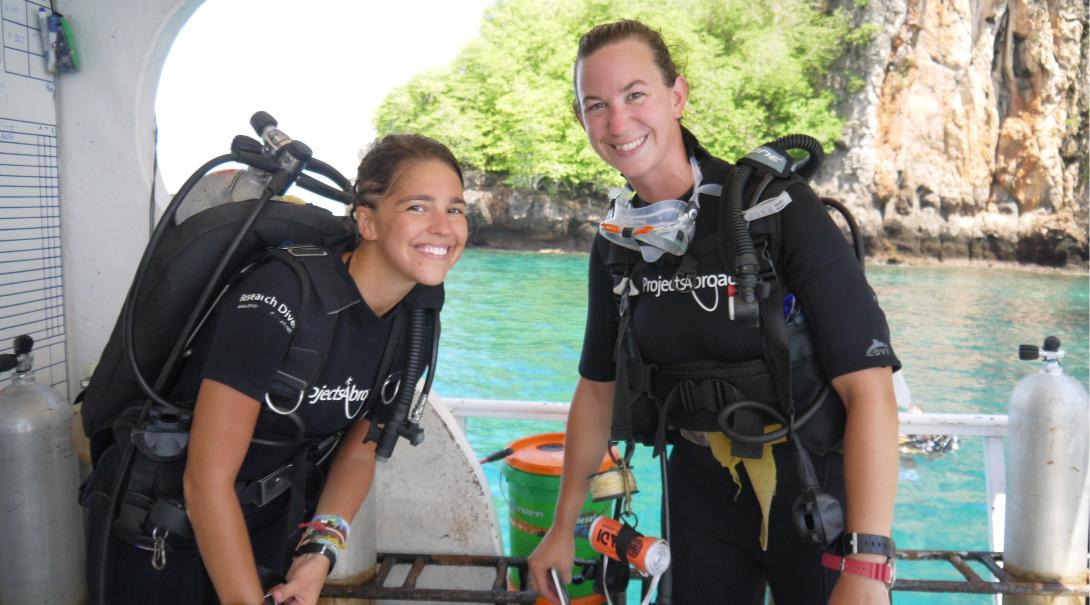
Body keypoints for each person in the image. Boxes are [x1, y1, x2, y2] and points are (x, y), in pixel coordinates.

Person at [527, 19, 900, 605]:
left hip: (814, 490)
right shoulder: (618, 246)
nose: (618, 122)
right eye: (595, 105)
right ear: (582, 121)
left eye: (635, 95)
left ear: (677, 95)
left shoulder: (775, 209)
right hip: (700, 494)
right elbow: (597, 389)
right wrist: (559, 528)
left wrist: (868, 562)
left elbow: (870, 386)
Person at [85, 134, 468, 605]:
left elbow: (359, 453)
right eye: (417, 207)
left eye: (455, 209)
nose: (443, 227)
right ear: (367, 221)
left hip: (269, 524)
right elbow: (206, 479)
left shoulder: (415, 320)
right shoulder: (280, 295)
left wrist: (319, 552)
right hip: (162, 527)